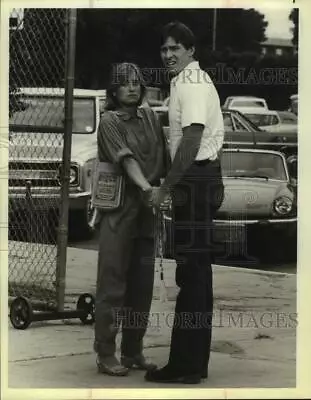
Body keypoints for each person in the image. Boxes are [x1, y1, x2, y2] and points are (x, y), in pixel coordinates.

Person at [145, 21, 225, 384]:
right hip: (198, 179)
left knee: (192, 273)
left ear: (191, 50)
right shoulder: (186, 81)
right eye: (164, 49)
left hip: (195, 178)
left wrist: (166, 189)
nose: (168, 55)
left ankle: (186, 366)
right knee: (196, 273)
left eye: (175, 48)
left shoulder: (192, 82)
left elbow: (192, 140)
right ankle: (194, 363)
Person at [93, 62, 169, 376]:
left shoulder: (151, 117)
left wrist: (165, 189)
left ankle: (133, 351)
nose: (132, 88)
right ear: (114, 90)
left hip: (147, 209)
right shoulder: (108, 121)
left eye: (137, 82)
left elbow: (163, 156)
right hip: (119, 209)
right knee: (113, 283)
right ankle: (105, 353)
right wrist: (147, 187)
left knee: (141, 285)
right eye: (125, 83)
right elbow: (125, 160)